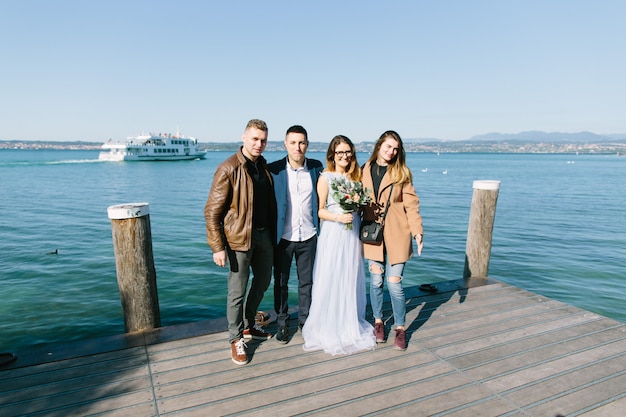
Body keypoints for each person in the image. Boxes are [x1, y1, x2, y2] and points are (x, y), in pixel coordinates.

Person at [204, 119, 277, 365]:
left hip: (264, 234)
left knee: (264, 280)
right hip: (238, 239)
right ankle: (236, 338)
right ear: (244, 137)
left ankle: (248, 324)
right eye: (255, 139)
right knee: (237, 291)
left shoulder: (263, 166)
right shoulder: (229, 168)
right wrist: (217, 247)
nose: (259, 144)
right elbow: (212, 211)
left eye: (263, 140)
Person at [302, 135, 376, 355]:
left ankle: (348, 321)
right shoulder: (326, 178)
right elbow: (320, 210)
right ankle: (329, 325)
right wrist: (338, 218)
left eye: (348, 152)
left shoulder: (357, 177)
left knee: (350, 276)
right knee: (332, 276)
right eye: (340, 152)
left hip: (352, 235)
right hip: (334, 234)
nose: (344, 156)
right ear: (332, 155)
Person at [361, 130, 424, 351]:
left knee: (393, 283)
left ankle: (400, 328)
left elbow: (411, 205)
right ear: (379, 146)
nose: (391, 152)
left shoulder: (402, 173)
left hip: (398, 234)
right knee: (376, 281)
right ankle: (378, 322)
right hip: (373, 235)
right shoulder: (364, 170)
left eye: (395, 148)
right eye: (388, 146)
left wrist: (417, 231)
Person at [268, 125, 324, 344]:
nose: (297, 147)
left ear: (307, 144)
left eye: (301, 142)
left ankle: (305, 321)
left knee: (306, 283)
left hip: (309, 235)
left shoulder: (317, 168)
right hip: (283, 237)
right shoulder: (274, 170)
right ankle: (282, 323)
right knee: (280, 283)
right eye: (293, 142)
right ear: (285, 144)